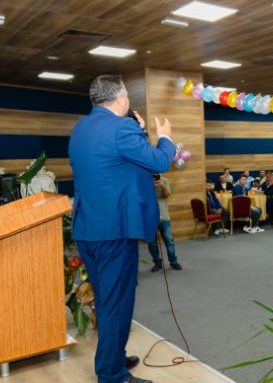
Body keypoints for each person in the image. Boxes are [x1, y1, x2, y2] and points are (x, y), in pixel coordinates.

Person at [69, 75, 175, 383]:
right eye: (126, 95)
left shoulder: (81, 129)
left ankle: (113, 358)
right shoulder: (122, 128)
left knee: (105, 299)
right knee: (118, 303)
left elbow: (116, 163)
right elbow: (159, 162)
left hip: (87, 230)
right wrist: (163, 137)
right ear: (119, 100)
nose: (128, 99)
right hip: (115, 232)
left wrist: (137, 134)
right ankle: (112, 375)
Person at [146, 175, 182, 272]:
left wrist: (162, 186)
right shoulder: (145, 180)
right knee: (152, 243)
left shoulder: (164, 180)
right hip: (150, 217)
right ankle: (157, 262)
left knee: (169, 241)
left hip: (164, 216)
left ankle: (173, 261)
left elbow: (167, 195)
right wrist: (149, 186)